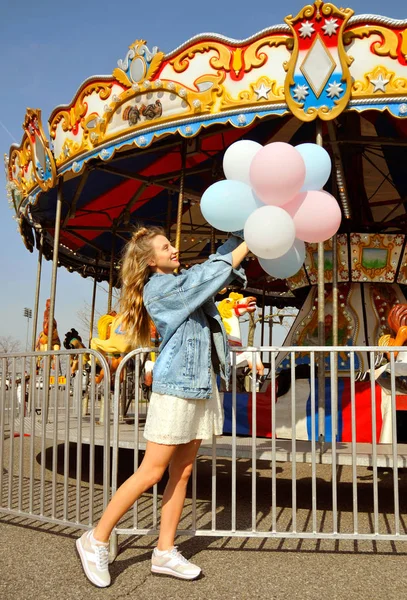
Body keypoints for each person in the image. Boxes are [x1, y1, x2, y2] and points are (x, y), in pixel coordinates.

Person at [76, 226, 249, 587]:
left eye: (171, 244)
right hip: (176, 388)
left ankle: (164, 551)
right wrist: (252, 240)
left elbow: (210, 274)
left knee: (182, 473)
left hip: (199, 385)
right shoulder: (161, 288)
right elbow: (211, 273)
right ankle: (95, 539)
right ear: (149, 261)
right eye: (165, 247)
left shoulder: (181, 279)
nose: (174, 249)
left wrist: (241, 234)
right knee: (151, 472)